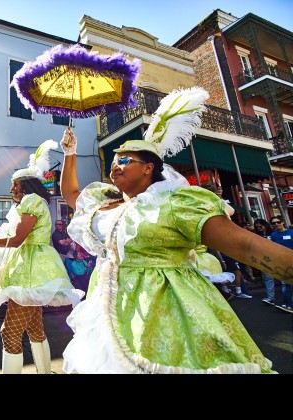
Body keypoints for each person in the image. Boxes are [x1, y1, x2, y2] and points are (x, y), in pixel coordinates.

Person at [60, 87, 293, 374]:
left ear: (148, 168)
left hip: (168, 315)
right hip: (108, 311)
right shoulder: (104, 203)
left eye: (125, 160)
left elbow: (245, 246)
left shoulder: (175, 203)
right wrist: (69, 151)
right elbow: (71, 194)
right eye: (114, 160)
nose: (115, 166)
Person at [0, 140, 84, 374]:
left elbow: (16, 240)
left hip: (31, 267)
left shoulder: (30, 201)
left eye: (14, 185)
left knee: (9, 332)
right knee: (35, 329)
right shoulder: (33, 202)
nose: (12, 189)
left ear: (25, 186)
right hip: (32, 264)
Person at [268, 216, 293, 313]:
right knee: (286, 284)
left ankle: (288, 304)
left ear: (282, 222)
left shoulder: (291, 232)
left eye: (278, 222)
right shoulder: (274, 235)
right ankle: (288, 304)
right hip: (282, 263)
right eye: (273, 223)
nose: (276, 224)